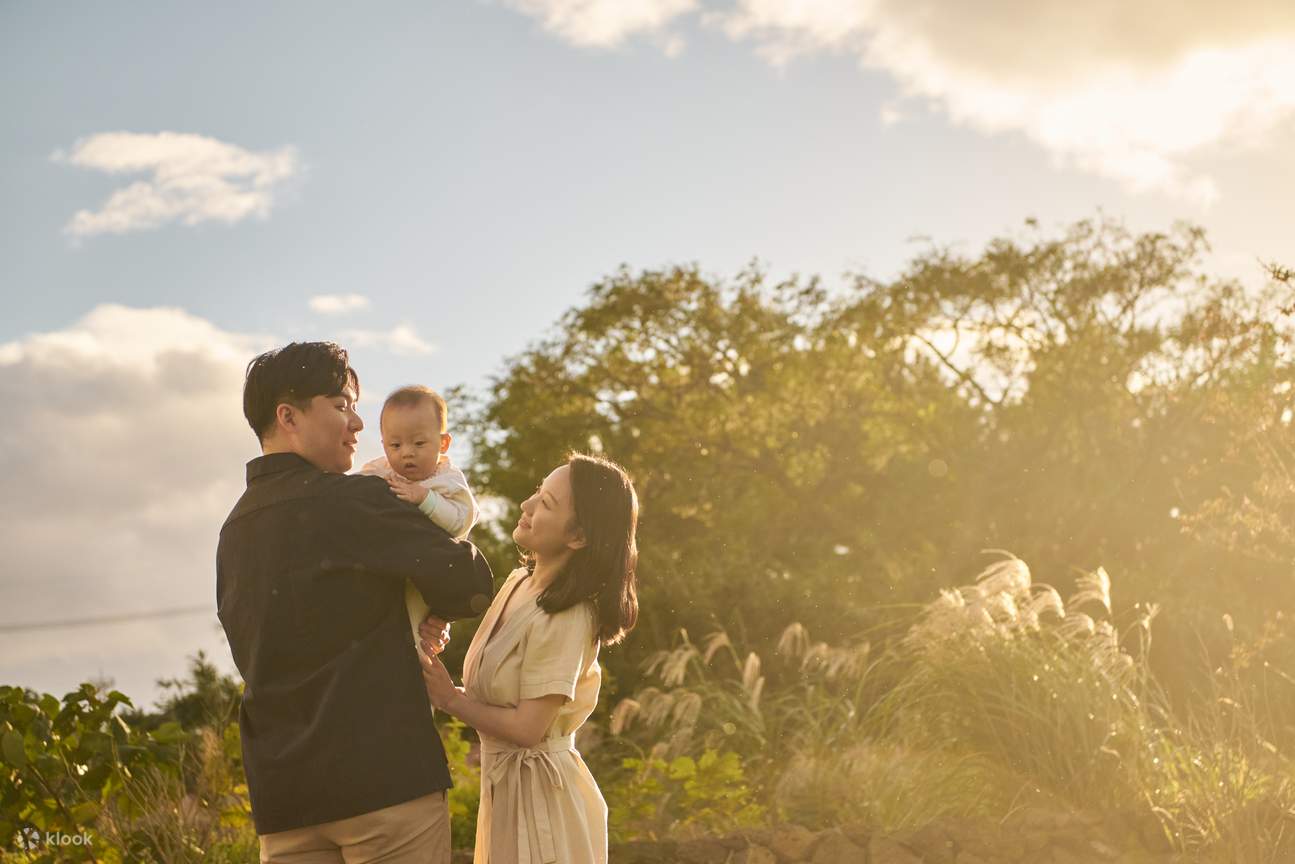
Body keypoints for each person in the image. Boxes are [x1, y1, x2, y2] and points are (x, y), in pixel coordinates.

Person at [216, 341, 494, 864]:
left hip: (284, 800)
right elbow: (469, 581)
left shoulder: (233, 531)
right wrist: (431, 606)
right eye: (342, 405)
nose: (358, 423)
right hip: (384, 781)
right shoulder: (354, 500)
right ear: (288, 416)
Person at [419, 452, 639, 864]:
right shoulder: (520, 582)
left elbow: (527, 727)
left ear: (578, 537)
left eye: (547, 503)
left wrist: (450, 698)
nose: (527, 505)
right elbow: (496, 697)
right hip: (506, 792)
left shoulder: (570, 613)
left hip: (543, 805)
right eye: (539, 491)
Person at [358, 385, 480, 652]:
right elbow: (353, 499)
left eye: (419, 443)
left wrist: (425, 498)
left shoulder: (447, 480)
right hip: (385, 571)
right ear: (383, 444)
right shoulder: (379, 472)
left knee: (417, 634)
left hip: (429, 576)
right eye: (395, 444)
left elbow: (461, 521)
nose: (407, 453)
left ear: (443, 443)